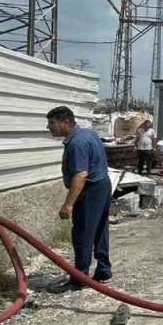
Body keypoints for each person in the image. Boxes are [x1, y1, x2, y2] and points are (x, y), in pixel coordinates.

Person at [46, 106, 113, 293]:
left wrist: (68, 204)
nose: (49, 127)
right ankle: (103, 270)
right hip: (102, 184)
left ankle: (79, 278)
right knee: (100, 229)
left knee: (82, 234)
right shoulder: (88, 134)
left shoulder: (77, 143)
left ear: (66, 122)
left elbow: (81, 174)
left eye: (52, 123)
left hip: (90, 190)